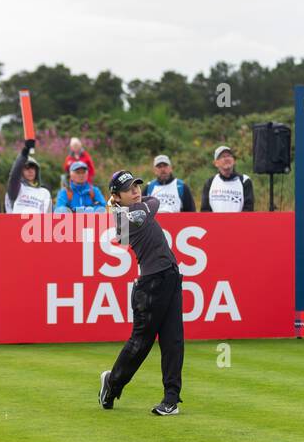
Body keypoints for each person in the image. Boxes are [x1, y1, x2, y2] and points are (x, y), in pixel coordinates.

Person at [99, 170, 184, 416]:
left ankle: (171, 399)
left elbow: (147, 203)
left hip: (169, 277)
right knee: (141, 344)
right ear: (116, 196)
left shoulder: (127, 210)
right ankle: (112, 384)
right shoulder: (132, 215)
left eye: (137, 186)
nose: (136, 191)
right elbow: (154, 201)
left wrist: (119, 202)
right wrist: (128, 203)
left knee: (173, 341)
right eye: (129, 189)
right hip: (151, 287)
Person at [200, 144, 254, 212]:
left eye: (229, 156)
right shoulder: (210, 182)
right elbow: (205, 210)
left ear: (234, 161)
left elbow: (248, 209)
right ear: (216, 163)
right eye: (222, 157)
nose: (226, 159)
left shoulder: (245, 181)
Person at [4, 141, 51, 214]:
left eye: (33, 168)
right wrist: (24, 152)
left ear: (36, 171)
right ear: (21, 171)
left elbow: (48, 215)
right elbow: (14, 175)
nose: (30, 171)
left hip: (38, 224)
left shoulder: (45, 192)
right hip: (17, 224)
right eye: (27, 168)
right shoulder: (16, 188)